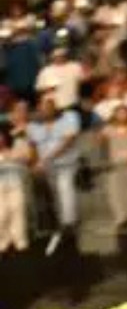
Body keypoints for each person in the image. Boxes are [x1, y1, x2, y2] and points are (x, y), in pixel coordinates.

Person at [26, 94, 82, 233]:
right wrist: (34, 163)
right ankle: (63, 222)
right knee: (56, 193)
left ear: (55, 107)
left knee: (65, 188)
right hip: (47, 167)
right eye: (42, 107)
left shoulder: (69, 117)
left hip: (66, 162)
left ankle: (69, 222)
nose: (45, 109)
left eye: (49, 106)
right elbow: (32, 146)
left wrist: (46, 159)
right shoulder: (32, 126)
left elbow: (68, 141)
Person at [0, 128, 33, 252]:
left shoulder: (17, 146)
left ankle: (20, 240)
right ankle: (4, 241)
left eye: (1, 135)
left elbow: (27, 158)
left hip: (16, 184)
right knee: (1, 214)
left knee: (18, 211)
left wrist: (10, 156)